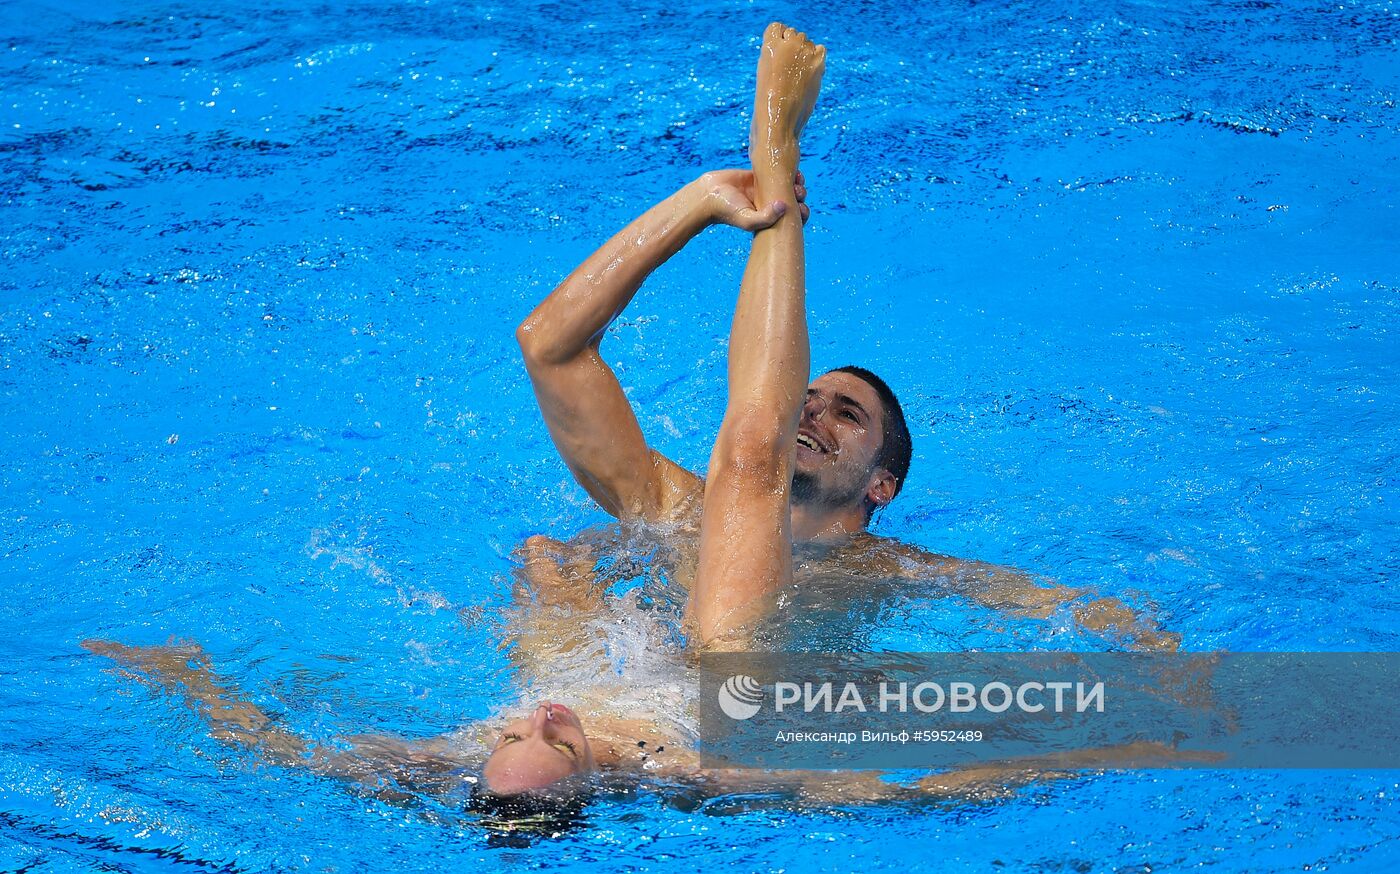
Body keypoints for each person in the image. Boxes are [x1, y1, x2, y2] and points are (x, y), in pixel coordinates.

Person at [515, 44, 1176, 656]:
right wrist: (699, 200)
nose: (810, 416)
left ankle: (776, 154)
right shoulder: (678, 511)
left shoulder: (893, 572)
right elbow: (549, 346)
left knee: (749, 461)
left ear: (882, 485)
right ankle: (770, 159)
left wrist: (1172, 662)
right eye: (805, 398)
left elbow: (1085, 612)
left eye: (847, 415)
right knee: (733, 469)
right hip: (625, 728)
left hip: (753, 738)